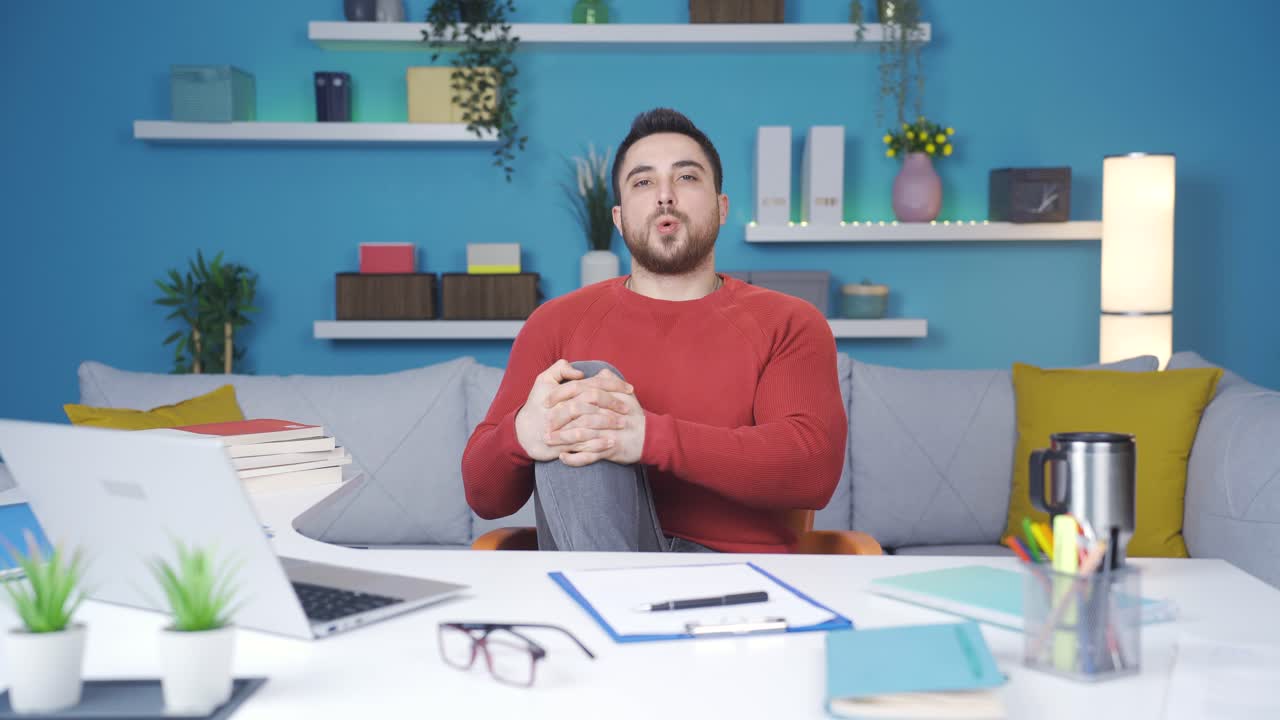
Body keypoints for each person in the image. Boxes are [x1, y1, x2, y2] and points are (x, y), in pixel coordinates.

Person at [462, 107, 846, 553]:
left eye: (687, 177)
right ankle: (617, 591)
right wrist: (521, 433)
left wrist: (647, 437)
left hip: (735, 578)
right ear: (619, 218)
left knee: (587, 394)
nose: (665, 196)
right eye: (643, 182)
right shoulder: (555, 323)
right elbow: (485, 497)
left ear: (721, 208)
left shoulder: (789, 322)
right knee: (585, 384)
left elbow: (812, 471)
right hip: (596, 564)